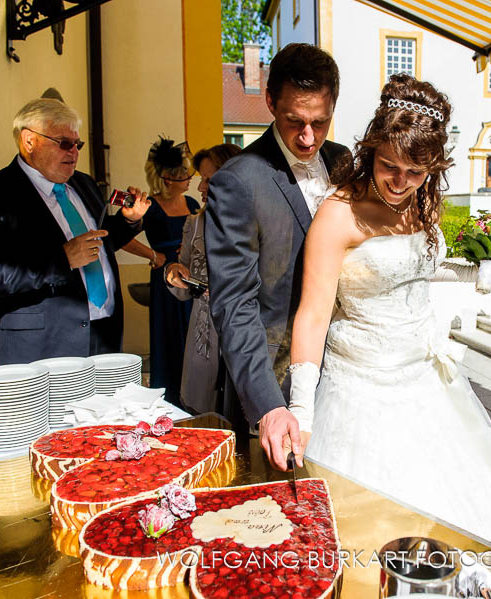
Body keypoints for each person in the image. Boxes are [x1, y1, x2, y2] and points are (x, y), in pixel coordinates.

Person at [286, 73, 491, 599]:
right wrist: (301, 415)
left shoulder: (425, 205)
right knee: (375, 534)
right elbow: (311, 317)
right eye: (388, 166)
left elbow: (418, 269)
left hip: (427, 378)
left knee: (462, 511)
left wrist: (481, 272)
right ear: (371, 149)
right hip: (362, 389)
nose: (399, 182)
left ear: (432, 169)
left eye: (415, 172)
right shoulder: (338, 216)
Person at [205, 43, 351, 458]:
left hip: (346, 372)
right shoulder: (237, 181)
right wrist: (268, 404)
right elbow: (234, 302)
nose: (308, 137)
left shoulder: (344, 161)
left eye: (320, 123)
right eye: (294, 122)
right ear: (270, 102)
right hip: (275, 381)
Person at [0, 98, 149, 364]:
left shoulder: (83, 184)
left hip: (104, 333)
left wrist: (128, 222)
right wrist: (62, 260)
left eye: (78, 144)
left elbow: (98, 246)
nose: (74, 152)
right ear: (29, 141)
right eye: (64, 143)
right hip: (44, 347)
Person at [164, 144, 241, 414]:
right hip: (203, 340)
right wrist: (174, 273)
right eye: (201, 180)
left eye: (209, 180)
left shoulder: (260, 224)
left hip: (243, 342)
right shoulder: (194, 224)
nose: (200, 188)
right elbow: (183, 280)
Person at [123, 138, 200, 406]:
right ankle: (170, 398)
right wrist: (153, 255)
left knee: (193, 335)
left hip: (191, 279)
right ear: (168, 179)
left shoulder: (191, 203)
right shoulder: (150, 206)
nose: (190, 179)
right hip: (165, 280)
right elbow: (122, 237)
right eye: (184, 176)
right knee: (169, 337)